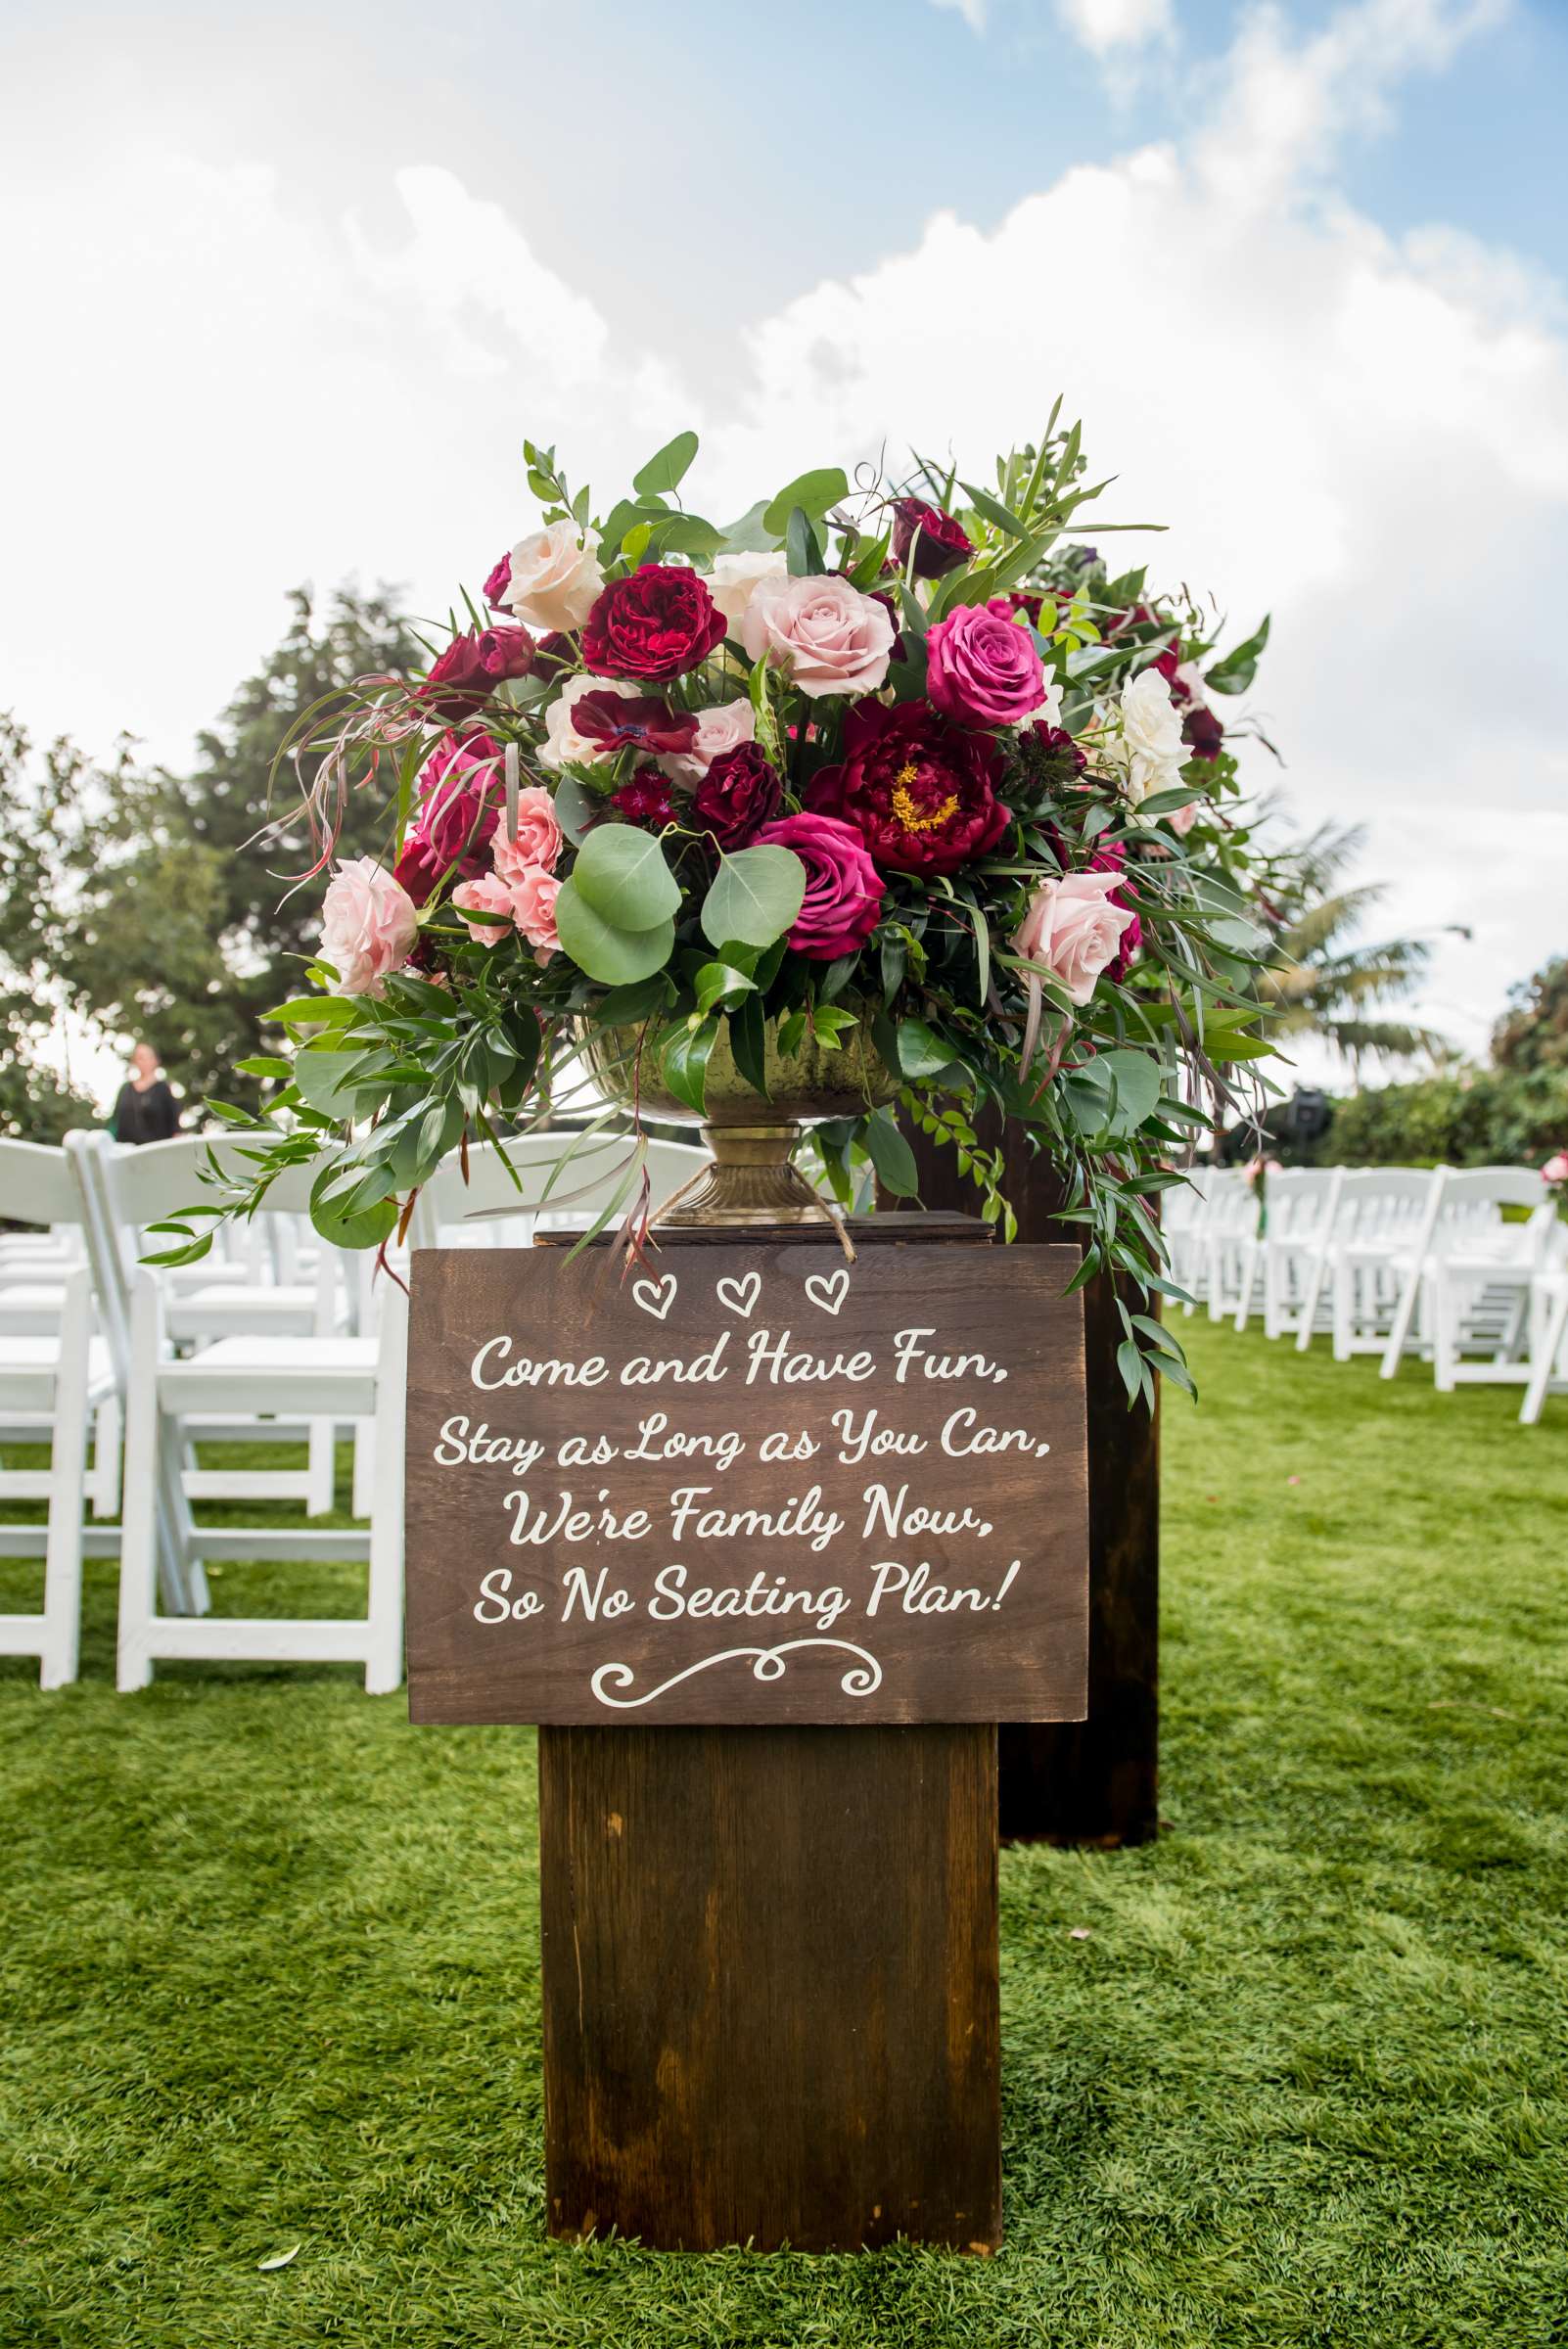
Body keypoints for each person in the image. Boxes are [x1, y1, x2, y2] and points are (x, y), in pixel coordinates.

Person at [111, 1042, 181, 1146]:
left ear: (155, 1060)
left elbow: (174, 1125)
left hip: (154, 1151)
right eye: (139, 1057)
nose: (142, 1061)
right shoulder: (125, 1089)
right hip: (125, 1152)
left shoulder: (163, 1089)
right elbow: (114, 1123)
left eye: (146, 1057)